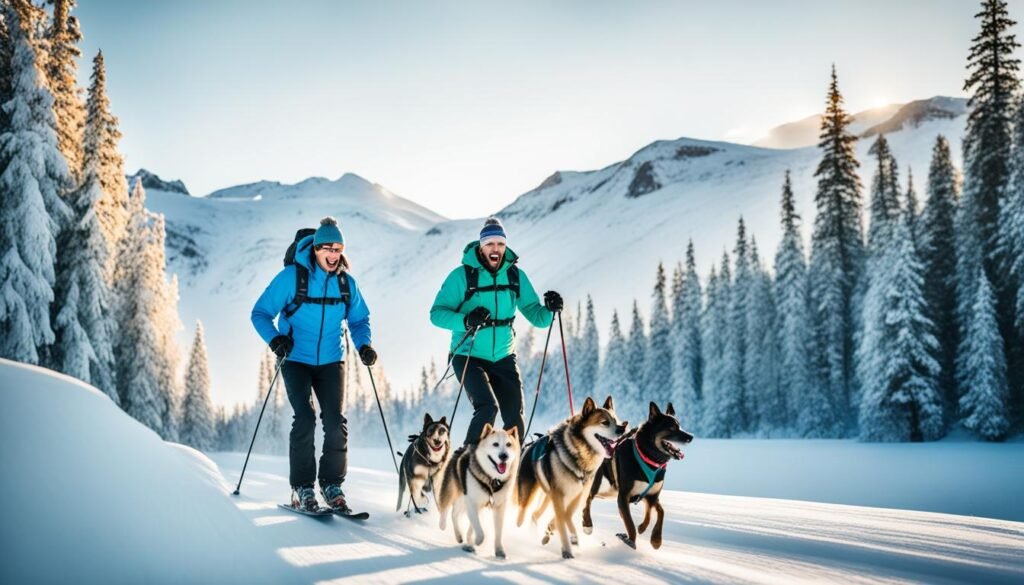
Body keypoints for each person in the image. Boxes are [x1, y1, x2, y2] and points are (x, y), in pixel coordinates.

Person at [251, 216, 377, 512]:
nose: (333, 255)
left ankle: (332, 485)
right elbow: (260, 313)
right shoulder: (292, 278)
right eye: (327, 249)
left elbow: (359, 319)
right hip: (295, 358)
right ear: (316, 249)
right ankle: (302, 488)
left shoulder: (346, 283)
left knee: (335, 423)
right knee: (305, 418)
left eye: (338, 248)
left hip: (332, 360)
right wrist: (275, 339)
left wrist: (365, 345)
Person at [430, 217, 563, 445]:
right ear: (481, 246)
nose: (496, 249)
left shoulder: (514, 276)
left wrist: (550, 309)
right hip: (468, 355)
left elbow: (536, 315)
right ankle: (468, 463)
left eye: (500, 244)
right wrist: (467, 320)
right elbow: (437, 314)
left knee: (514, 418)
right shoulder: (462, 276)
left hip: (503, 356)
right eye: (490, 244)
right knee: (487, 408)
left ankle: (514, 473)